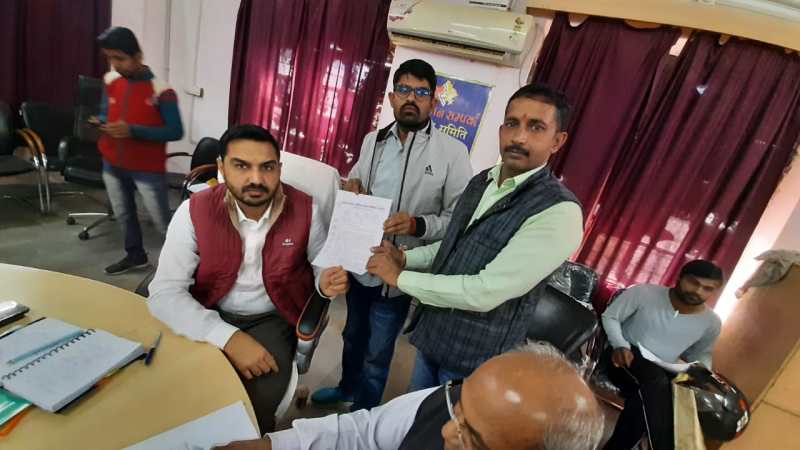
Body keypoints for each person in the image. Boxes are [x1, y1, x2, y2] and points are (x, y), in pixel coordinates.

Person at [366, 84, 584, 389]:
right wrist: (405, 257)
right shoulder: (483, 182)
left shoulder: (559, 212)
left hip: (476, 359)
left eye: (536, 127)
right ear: (501, 130)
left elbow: (485, 291)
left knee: (448, 420)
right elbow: (452, 246)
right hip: (435, 335)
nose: (519, 137)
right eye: (512, 124)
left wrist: (400, 278)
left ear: (558, 141)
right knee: (419, 412)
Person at [147, 124, 349, 432]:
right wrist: (228, 337)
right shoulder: (194, 211)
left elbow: (322, 265)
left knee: (254, 405)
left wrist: (326, 281)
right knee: (176, 390)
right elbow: (165, 291)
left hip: (272, 316)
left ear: (279, 169)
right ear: (221, 167)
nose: (256, 179)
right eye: (241, 166)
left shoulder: (306, 209)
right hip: (208, 307)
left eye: (267, 167)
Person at [312, 59, 473, 410]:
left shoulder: (452, 154)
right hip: (361, 266)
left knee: (378, 352)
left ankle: (365, 413)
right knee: (352, 336)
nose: (411, 98)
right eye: (404, 90)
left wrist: (417, 225)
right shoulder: (374, 141)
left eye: (421, 92)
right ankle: (346, 389)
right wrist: (351, 185)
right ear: (391, 97)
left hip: (398, 274)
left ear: (433, 102)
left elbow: (458, 220)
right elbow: (355, 179)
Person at [214, 342, 604, 450]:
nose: (448, 430)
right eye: (459, 410)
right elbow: (365, 432)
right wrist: (275, 445)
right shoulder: (447, 399)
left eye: (472, 439)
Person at [600, 259, 724, 450]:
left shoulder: (711, 322)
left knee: (655, 399)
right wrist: (620, 345)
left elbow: (701, 355)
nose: (698, 291)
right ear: (679, 277)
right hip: (624, 356)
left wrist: (704, 376)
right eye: (693, 283)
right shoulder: (644, 293)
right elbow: (611, 317)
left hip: (663, 369)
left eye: (707, 288)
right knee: (657, 388)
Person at [92, 26, 184, 275]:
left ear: (138, 55)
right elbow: (106, 112)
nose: (115, 64)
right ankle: (136, 256)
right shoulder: (110, 81)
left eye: (120, 58)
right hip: (112, 163)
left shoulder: (162, 90)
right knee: (123, 214)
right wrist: (101, 121)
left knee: (162, 222)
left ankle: (184, 268)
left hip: (147, 169)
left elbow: (175, 131)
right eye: (110, 58)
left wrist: (133, 131)